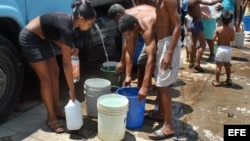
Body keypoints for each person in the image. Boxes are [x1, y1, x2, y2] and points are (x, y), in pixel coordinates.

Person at [18, 0, 96, 133]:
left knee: (55, 72)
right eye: (89, 23)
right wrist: (72, 91)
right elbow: (67, 64)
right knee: (46, 78)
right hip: (30, 39)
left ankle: (57, 109)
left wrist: (69, 48)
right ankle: (51, 116)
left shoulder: (71, 23)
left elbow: (53, 34)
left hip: (43, 38)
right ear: (81, 19)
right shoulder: (66, 27)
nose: (90, 26)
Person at [108, 4, 156, 89]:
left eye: (116, 20)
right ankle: (140, 89)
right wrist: (128, 76)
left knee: (158, 65)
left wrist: (145, 86)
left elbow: (151, 57)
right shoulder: (128, 22)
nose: (117, 23)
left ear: (118, 15)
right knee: (141, 61)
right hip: (151, 35)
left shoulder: (139, 21)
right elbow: (129, 49)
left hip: (163, 35)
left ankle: (158, 96)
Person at [187, 0, 222, 72]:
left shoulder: (190, 1)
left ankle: (191, 63)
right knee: (203, 44)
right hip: (198, 24)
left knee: (193, 44)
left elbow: (190, 13)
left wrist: (200, 13)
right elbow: (211, 3)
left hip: (193, 23)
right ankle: (197, 64)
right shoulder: (196, 0)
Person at [212, 10, 234, 87]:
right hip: (228, 49)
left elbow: (213, 39)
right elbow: (232, 39)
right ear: (231, 20)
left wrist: (219, 39)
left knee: (218, 66)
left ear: (221, 19)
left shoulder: (218, 29)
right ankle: (228, 79)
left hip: (220, 48)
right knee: (227, 65)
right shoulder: (232, 30)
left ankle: (217, 81)